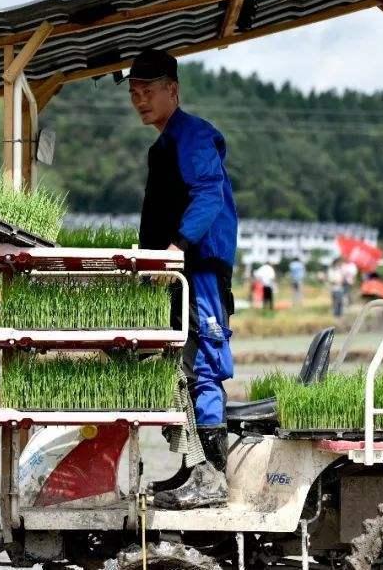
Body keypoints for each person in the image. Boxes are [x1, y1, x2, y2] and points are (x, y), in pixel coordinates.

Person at [127, 48, 237, 510]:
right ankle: (194, 469)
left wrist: (177, 246)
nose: (139, 101)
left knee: (204, 368)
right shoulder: (167, 141)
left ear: (172, 90)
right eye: (134, 94)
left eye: (148, 92)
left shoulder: (192, 135)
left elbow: (209, 194)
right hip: (178, 273)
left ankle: (212, 477)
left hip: (198, 273)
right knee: (181, 369)